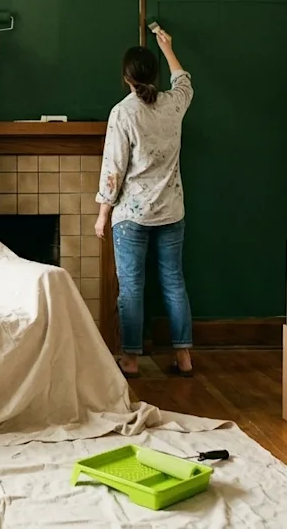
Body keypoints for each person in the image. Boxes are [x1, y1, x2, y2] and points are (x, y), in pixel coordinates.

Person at [93, 28, 195, 379]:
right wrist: (168, 47)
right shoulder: (173, 104)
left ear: (126, 78)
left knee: (132, 287)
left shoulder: (123, 113)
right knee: (174, 282)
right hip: (171, 211)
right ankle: (184, 359)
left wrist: (102, 213)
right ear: (152, 75)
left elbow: (113, 168)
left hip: (132, 216)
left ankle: (132, 361)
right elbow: (184, 82)